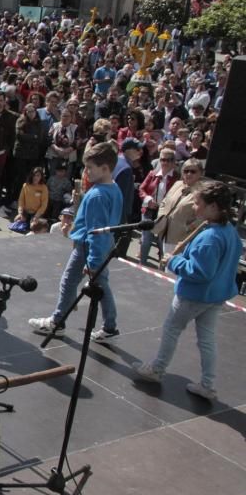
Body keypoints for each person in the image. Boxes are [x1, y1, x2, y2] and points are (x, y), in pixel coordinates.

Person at [134, 183, 242, 401]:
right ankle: (208, 384)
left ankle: (157, 369)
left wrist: (174, 262)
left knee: (172, 328)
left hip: (195, 295)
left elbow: (200, 272)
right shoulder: (230, 231)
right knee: (207, 340)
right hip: (216, 296)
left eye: (198, 203)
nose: (194, 206)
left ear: (212, 206)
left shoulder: (210, 237)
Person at [28, 142, 123, 340]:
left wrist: (94, 262)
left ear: (105, 168)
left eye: (90, 168)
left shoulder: (97, 195)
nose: (86, 172)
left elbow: (96, 231)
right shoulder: (113, 189)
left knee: (69, 282)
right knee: (102, 285)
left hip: (87, 248)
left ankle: (58, 321)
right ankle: (110, 325)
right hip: (102, 247)